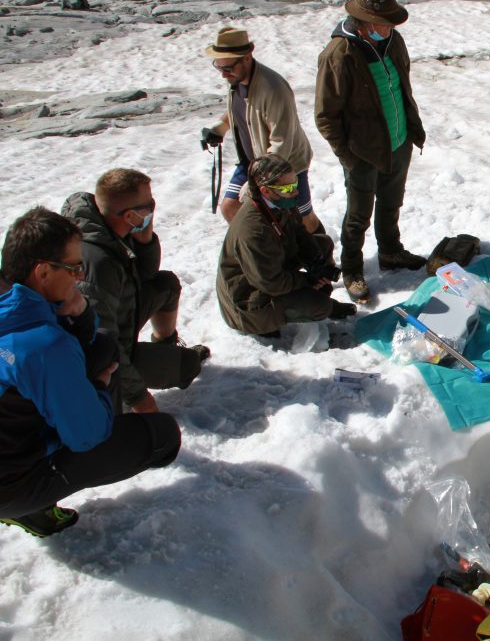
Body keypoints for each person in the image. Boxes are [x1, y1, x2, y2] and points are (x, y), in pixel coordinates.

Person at [0, 208, 180, 538]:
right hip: (11, 483)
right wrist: (97, 388)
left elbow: (88, 345)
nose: (80, 276)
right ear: (42, 272)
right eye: (73, 267)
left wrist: (81, 315)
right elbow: (84, 437)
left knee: (102, 349)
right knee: (163, 434)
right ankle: (31, 510)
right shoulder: (45, 346)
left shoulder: (13, 305)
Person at [315, 0, 427, 303]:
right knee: (358, 215)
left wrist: (407, 131)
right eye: (383, 23)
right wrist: (347, 155)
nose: (389, 29)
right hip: (362, 150)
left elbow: (400, 86)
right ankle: (351, 268)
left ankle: (390, 251)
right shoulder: (340, 54)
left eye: (391, 23)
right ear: (364, 22)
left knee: (391, 203)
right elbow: (325, 115)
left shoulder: (392, 41)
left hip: (398, 139)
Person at [62, 168, 209, 414]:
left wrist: (145, 234)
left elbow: (147, 274)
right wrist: (139, 398)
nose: (153, 208)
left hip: (121, 317)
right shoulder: (97, 263)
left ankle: (166, 345)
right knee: (188, 365)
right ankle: (117, 398)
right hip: (102, 354)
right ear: (129, 215)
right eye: (149, 205)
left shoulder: (110, 226)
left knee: (165, 284)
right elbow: (103, 342)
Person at [217, 154, 357, 337]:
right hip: (248, 300)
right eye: (289, 187)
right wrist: (308, 280)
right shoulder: (253, 230)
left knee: (322, 244)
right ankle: (264, 324)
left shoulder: (279, 201)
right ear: (265, 190)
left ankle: (308, 296)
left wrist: (317, 263)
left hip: (269, 269)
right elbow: (271, 283)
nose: (295, 192)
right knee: (319, 306)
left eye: (296, 184)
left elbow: (299, 233)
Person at [201, 26, 322, 234]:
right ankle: (270, 252)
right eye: (218, 67)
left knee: (302, 217)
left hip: (288, 166)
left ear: (247, 57)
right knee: (231, 207)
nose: (223, 74)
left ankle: (323, 258)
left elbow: (281, 142)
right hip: (252, 161)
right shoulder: (235, 80)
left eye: (227, 68)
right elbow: (240, 111)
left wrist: (259, 182)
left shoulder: (273, 89)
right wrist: (220, 128)